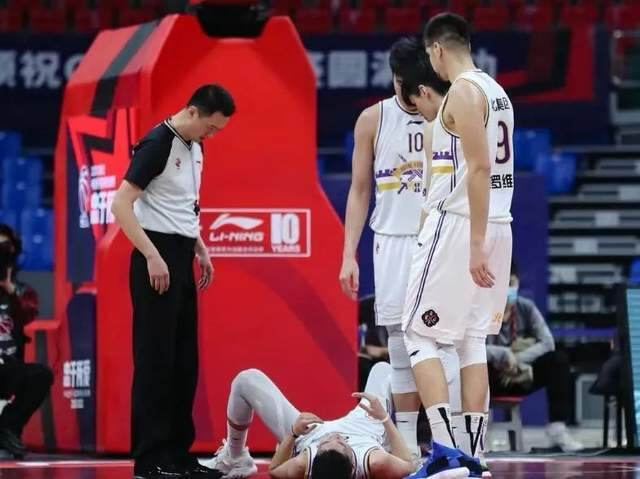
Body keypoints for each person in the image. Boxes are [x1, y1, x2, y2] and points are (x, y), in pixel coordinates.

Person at [401, 13, 514, 477]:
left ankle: (445, 452)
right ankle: (473, 454)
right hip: (500, 222)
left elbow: (480, 168)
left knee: (416, 333)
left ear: (437, 50)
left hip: (463, 226)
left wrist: (474, 243)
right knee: (471, 340)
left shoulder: (464, 92)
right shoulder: (497, 90)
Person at [111, 84, 235, 479]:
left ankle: (178, 455)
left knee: (183, 363)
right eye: (210, 127)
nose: (211, 135)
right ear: (193, 112)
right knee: (156, 361)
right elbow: (120, 203)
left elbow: (180, 205)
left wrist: (200, 247)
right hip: (156, 256)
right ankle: (150, 459)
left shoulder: (195, 147)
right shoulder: (157, 143)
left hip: (181, 254)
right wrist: (151, 255)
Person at [338, 36, 450, 458]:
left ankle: (449, 441)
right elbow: (359, 190)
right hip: (392, 242)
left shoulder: (446, 112)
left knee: (443, 343)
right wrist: (348, 253)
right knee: (400, 346)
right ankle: (406, 444)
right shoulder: (373, 118)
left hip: (437, 238)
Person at [200, 362, 470, 479]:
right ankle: (434, 442)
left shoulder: (305, 463)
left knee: (247, 380)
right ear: (352, 460)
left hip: (308, 433)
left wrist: (292, 434)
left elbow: (275, 470)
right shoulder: (373, 462)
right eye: (340, 443)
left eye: (328, 443)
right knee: (384, 369)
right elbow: (406, 464)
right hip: (365, 426)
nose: (334, 437)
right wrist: (385, 418)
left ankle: (236, 457)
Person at [487, 265, 582, 452]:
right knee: (473, 366)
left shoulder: (526, 308)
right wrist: (502, 354)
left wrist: (517, 358)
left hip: (518, 375)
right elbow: (469, 348)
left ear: (518, 283)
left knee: (558, 359)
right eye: (502, 283)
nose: (507, 289)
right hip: (488, 378)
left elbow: (548, 342)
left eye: (511, 283)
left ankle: (557, 430)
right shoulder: (480, 308)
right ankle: (477, 437)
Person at [0, 224, 53, 459]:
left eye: (4, 248)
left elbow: (28, 313)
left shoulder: (22, 291)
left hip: (8, 368)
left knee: (40, 375)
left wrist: (9, 288)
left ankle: (6, 428)